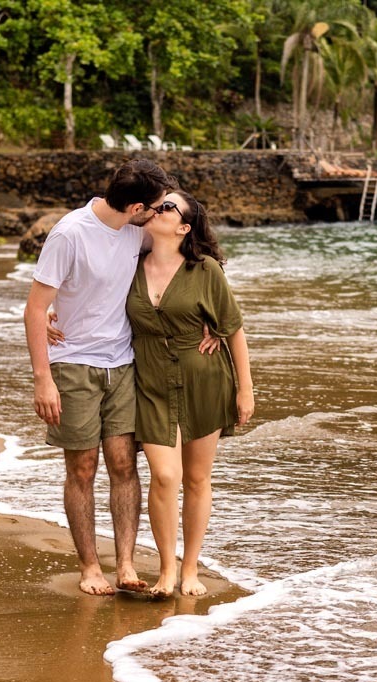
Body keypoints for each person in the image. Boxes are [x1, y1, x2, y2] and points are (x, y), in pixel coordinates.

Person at [23, 159, 175, 596]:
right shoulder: (70, 233)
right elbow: (35, 308)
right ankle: (90, 567)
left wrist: (206, 318)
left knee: (124, 464)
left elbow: (185, 249)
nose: (160, 214)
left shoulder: (138, 228)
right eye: (157, 206)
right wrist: (43, 380)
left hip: (124, 364)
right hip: (73, 365)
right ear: (136, 206)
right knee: (83, 467)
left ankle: (125, 565)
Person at [126, 190, 255, 597]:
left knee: (197, 479)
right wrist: (58, 312)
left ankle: (190, 568)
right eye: (158, 203)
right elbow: (92, 296)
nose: (157, 209)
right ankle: (166, 569)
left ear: (183, 227)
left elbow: (232, 327)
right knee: (165, 476)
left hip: (205, 382)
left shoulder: (206, 270)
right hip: (149, 382)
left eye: (167, 207)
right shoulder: (128, 265)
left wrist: (244, 390)